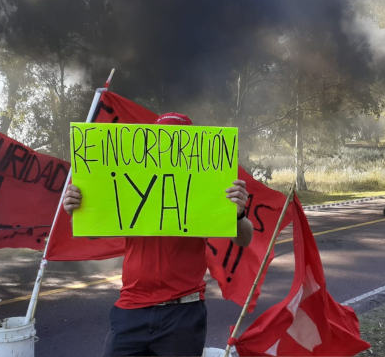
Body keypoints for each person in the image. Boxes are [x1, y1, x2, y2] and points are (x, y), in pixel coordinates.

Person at [63, 112, 253, 357]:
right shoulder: (130, 180)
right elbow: (91, 235)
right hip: (132, 307)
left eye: (176, 139)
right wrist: (78, 210)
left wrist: (237, 214)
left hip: (183, 311)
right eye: (161, 139)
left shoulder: (206, 185)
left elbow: (243, 239)